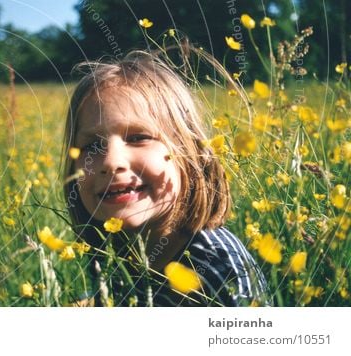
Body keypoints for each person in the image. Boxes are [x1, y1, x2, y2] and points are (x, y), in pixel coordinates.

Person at [63, 51, 269, 306]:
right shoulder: (111, 251)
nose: (111, 161)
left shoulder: (219, 270)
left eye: (138, 137)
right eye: (92, 145)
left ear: (188, 153)